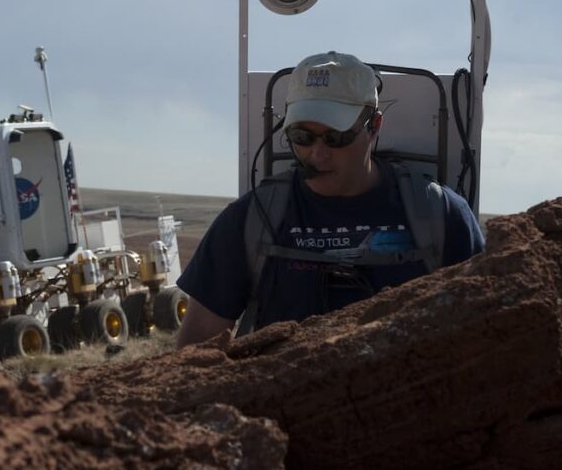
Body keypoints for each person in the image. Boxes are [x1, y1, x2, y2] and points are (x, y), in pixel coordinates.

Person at [175, 51, 485, 348]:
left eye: (336, 138)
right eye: (302, 137)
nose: (317, 154)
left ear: (374, 126)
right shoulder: (249, 221)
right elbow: (196, 349)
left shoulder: (441, 216)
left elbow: (484, 333)